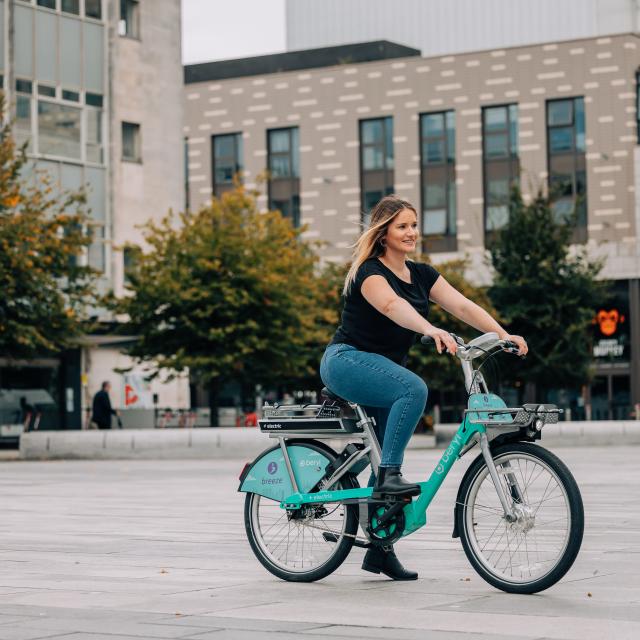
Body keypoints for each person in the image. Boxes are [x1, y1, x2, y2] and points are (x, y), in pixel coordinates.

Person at [319, 195, 527, 581]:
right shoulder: (369, 273)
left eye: (414, 225)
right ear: (383, 234)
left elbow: (462, 306)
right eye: (402, 226)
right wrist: (429, 329)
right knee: (413, 390)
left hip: (381, 370)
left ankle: (379, 548)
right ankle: (388, 475)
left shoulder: (423, 275)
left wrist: (501, 333)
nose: (411, 232)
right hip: (346, 361)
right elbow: (391, 307)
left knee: (380, 448)